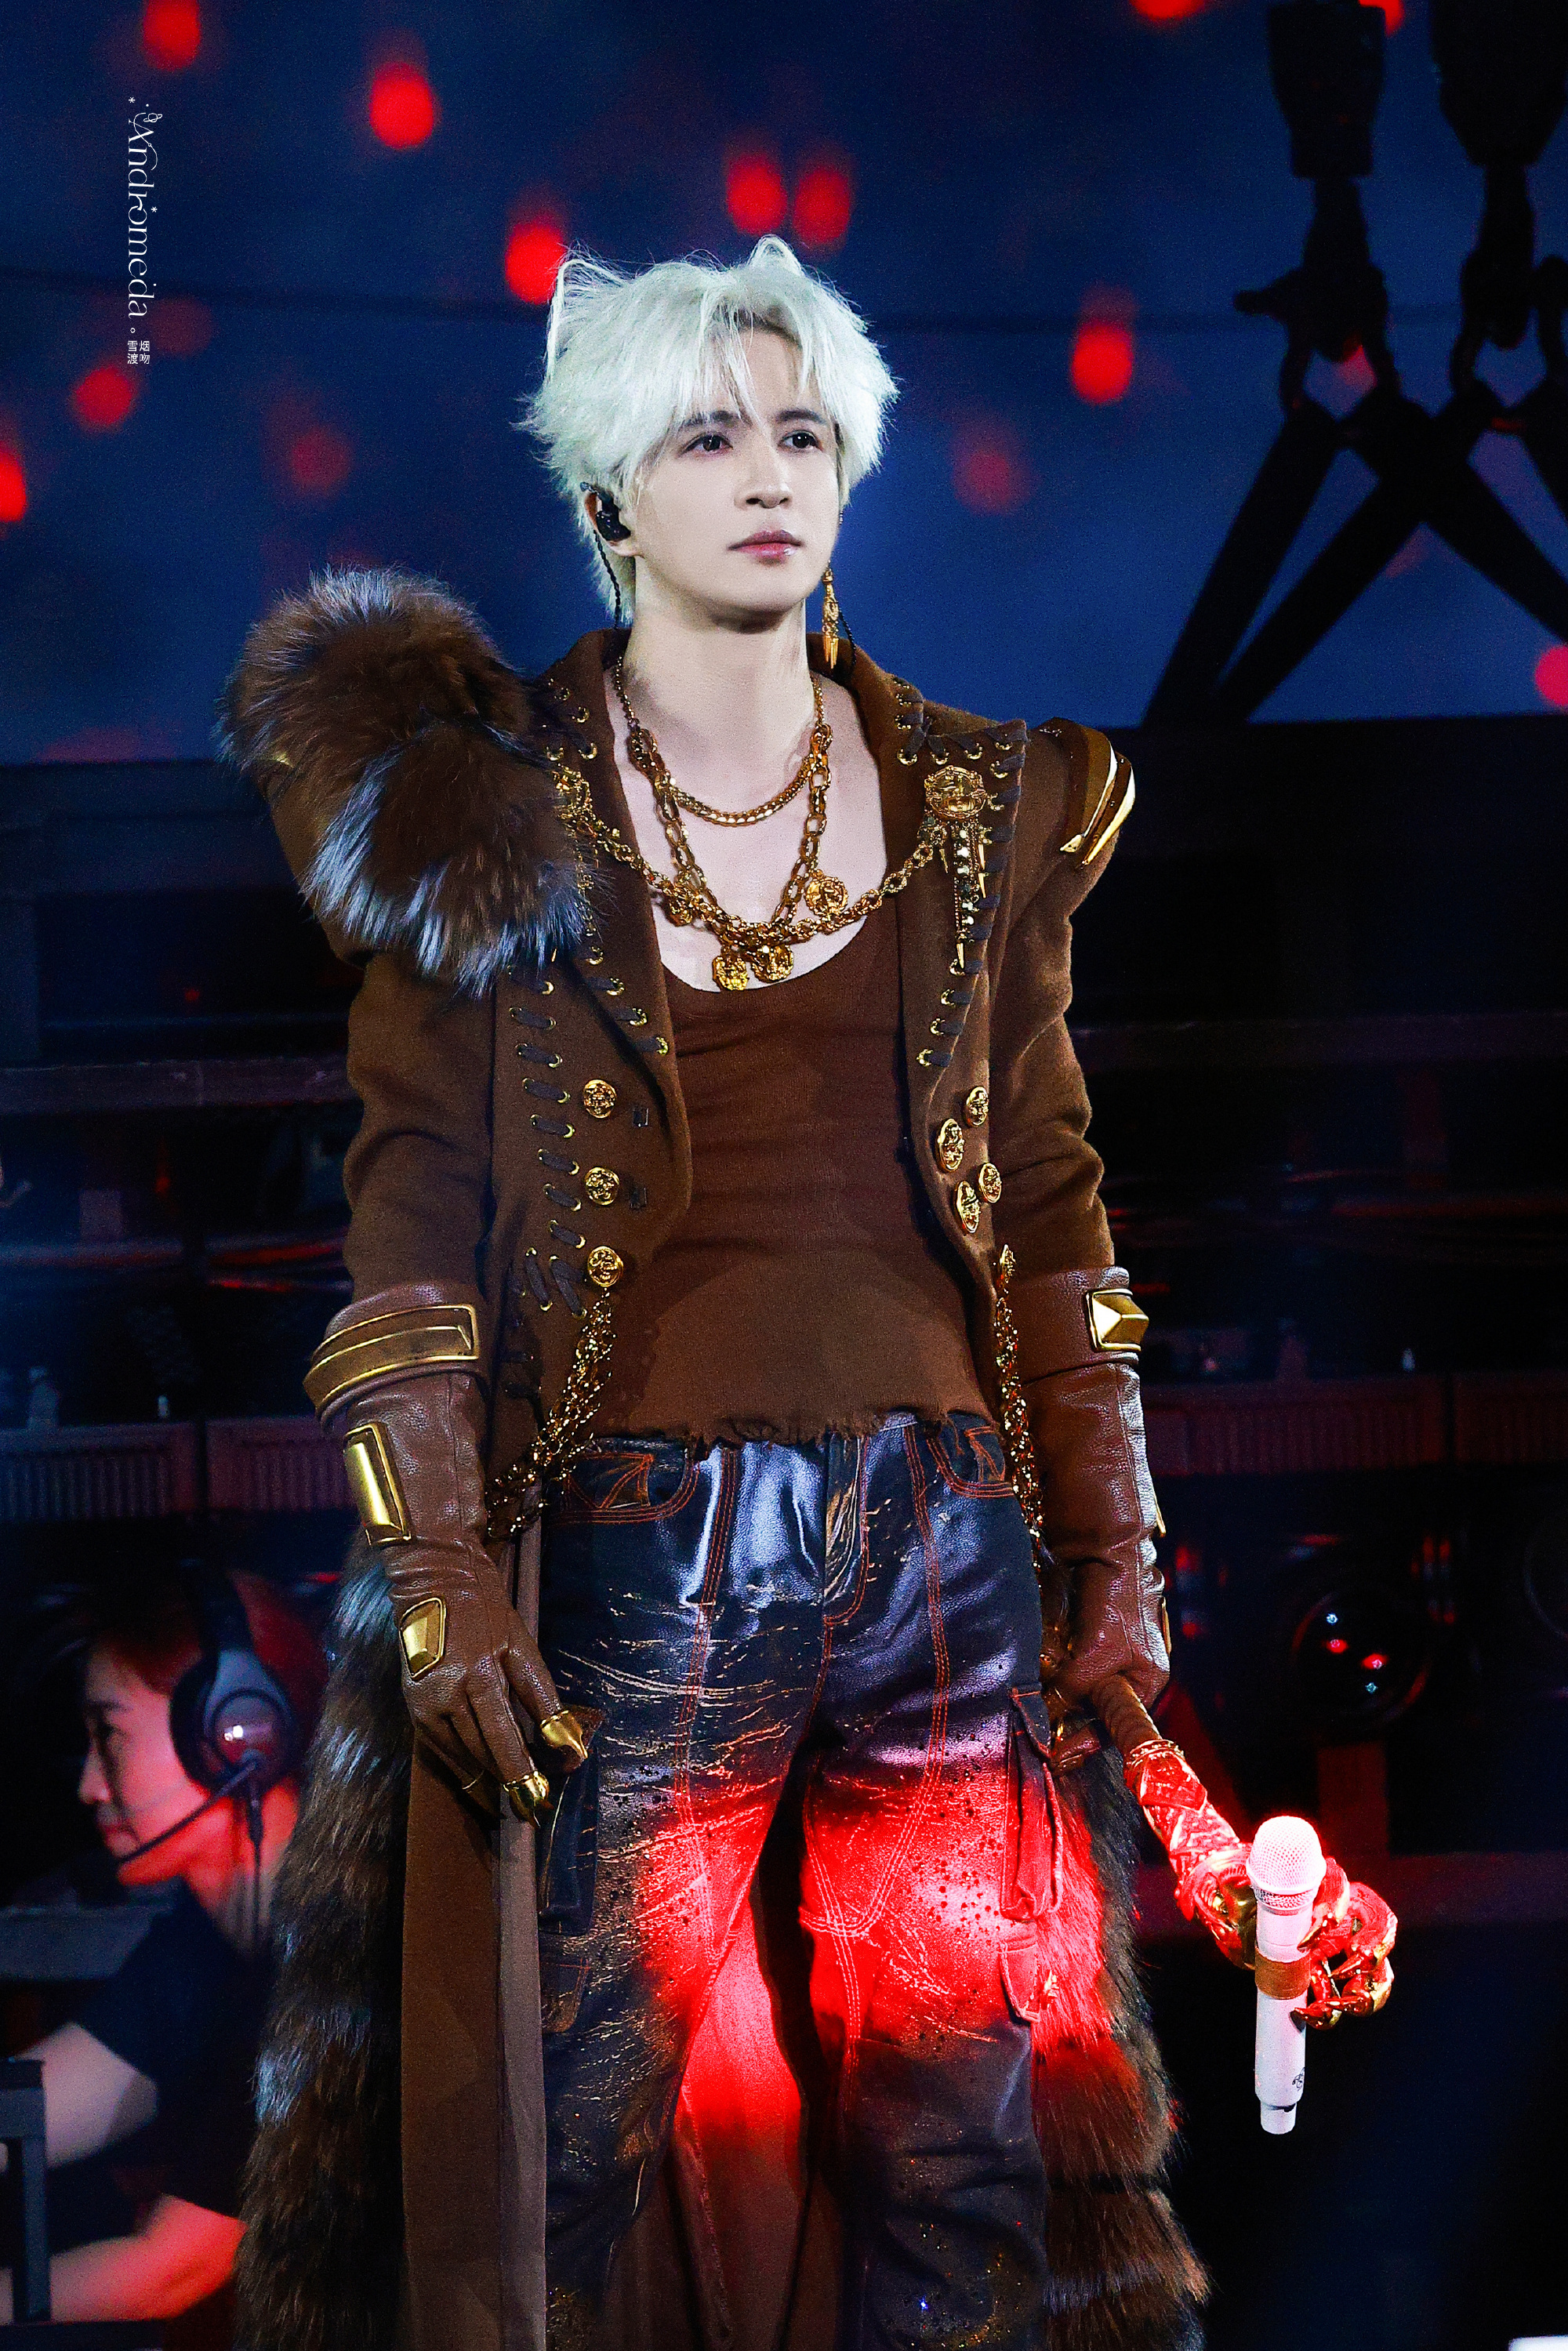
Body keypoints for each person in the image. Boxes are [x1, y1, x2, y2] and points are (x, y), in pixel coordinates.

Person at [217, 235, 1198, 2351]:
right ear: (607, 493)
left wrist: (1116, 1540)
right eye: (704, 436)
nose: (767, 471)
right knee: (563, 2145)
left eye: (803, 431)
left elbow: (1051, 1193)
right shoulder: (483, 810)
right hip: (644, 1536)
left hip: (946, 1531)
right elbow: (408, 1214)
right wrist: (448, 1576)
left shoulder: (983, 801)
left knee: (960, 2150)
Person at [0, 1565, 325, 2329]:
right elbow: (44, 2106)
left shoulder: (325, 1964)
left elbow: (170, 2266)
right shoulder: (206, 1938)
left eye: (110, 1736)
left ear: (235, 1734)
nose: (90, 1784)